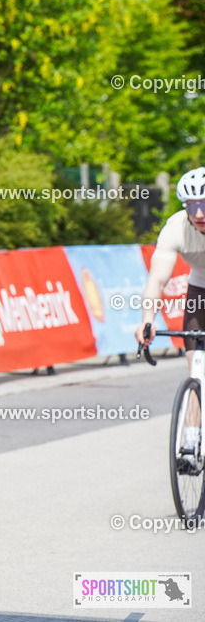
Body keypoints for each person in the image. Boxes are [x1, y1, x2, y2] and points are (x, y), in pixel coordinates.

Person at [137, 166, 205, 467]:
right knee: (197, 370)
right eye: (193, 205)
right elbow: (157, 281)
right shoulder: (175, 228)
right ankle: (191, 444)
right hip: (201, 290)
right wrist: (147, 320)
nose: (200, 212)